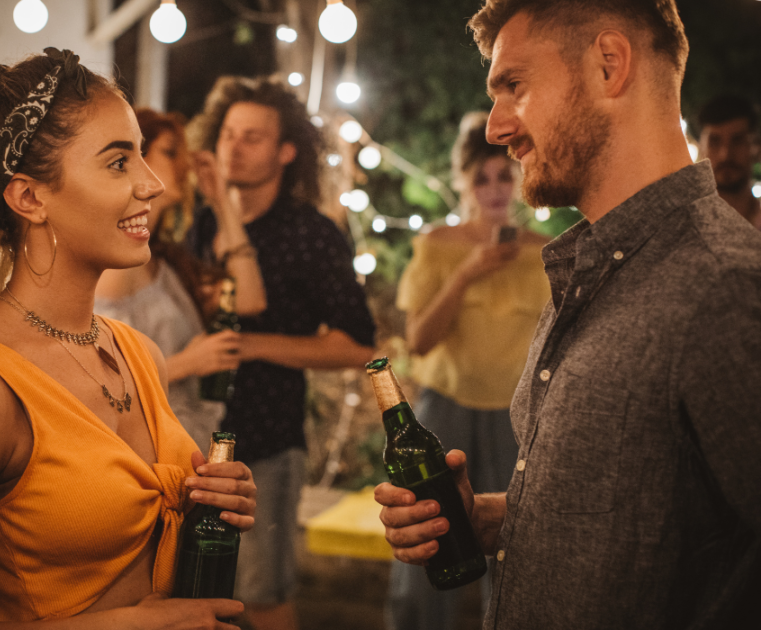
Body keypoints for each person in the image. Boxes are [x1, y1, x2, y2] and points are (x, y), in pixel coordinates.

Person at [375, 1, 761, 629]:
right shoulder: (587, 266)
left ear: (610, 65)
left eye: (515, 87)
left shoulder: (725, 286)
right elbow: (640, 510)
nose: (497, 126)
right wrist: (489, 518)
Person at [0, 49, 256, 629]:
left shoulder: (138, 353)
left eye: (142, 157)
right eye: (118, 163)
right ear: (29, 198)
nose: (150, 185)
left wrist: (213, 500)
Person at [188, 76, 376, 630]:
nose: (234, 148)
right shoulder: (201, 222)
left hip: (267, 442)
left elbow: (357, 343)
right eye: (227, 134)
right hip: (194, 437)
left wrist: (251, 347)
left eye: (252, 137)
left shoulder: (311, 233)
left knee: (262, 597)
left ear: (286, 151)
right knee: (197, 593)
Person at [388, 112, 549, 630]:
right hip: (444, 411)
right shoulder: (438, 244)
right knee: (431, 538)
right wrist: (467, 272)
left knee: (515, 551)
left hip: (516, 417)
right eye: (482, 178)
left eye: (504, 175)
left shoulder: (544, 254)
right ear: (463, 180)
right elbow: (417, 341)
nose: (495, 189)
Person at [95, 109, 267, 445]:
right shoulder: (118, 261)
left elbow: (249, 299)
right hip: (151, 450)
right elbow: (101, 383)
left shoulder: (161, 258)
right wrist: (189, 363)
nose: (184, 163)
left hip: (192, 441)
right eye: (171, 151)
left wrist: (222, 202)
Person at [697, 94, 761, 229]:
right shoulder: (683, 229)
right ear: (702, 149)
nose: (725, 155)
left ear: (756, 147)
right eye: (714, 141)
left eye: (737, 140)